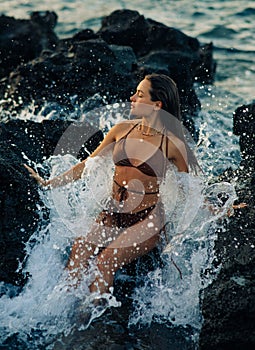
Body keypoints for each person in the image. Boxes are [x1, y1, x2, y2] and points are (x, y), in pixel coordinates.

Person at [23, 74, 205, 295]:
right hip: (113, 212)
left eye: (139, 95)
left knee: (105, 262)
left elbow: (191, 188)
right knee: (80, 248)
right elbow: (87, 165)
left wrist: (219, 210)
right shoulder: (121, 130)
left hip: (147, 219)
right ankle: (60, 313)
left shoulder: (172, 145)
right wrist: (48, 183)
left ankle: (88, 324)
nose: (132, 98)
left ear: (157, 105)